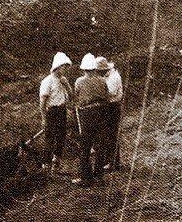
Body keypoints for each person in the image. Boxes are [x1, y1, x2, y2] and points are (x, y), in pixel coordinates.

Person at [72, 53, 109, 187]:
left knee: (85, 146)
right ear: (94, 69)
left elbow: (76, 97)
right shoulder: (102, 81)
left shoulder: (79, 82)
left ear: (83, 69)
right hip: (100, 112)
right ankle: (99, 176)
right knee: (100, 145)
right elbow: (106, 97)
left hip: (86, 114)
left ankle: (86, 177)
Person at [40, 52, 73, 171]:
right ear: (57, 67)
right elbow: (42, 102)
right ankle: (46, 164)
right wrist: (44, 118)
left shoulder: (62, 80)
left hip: (62, 110)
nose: (65, 69)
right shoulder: (47, 81)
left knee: (61, 137)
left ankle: (56, 161)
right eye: (64, 67)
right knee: (50, 138)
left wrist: (67, 85)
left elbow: (71, 96)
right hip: (52, 111)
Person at [97, 57, 123, 171]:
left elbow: (111, 93)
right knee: (108, 134)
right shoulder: (108, 76)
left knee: (111, 134)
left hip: (113, 106)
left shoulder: (113, 77)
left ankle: (112, 162)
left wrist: (97, 93)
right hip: (110, 106)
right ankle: (111, 161)